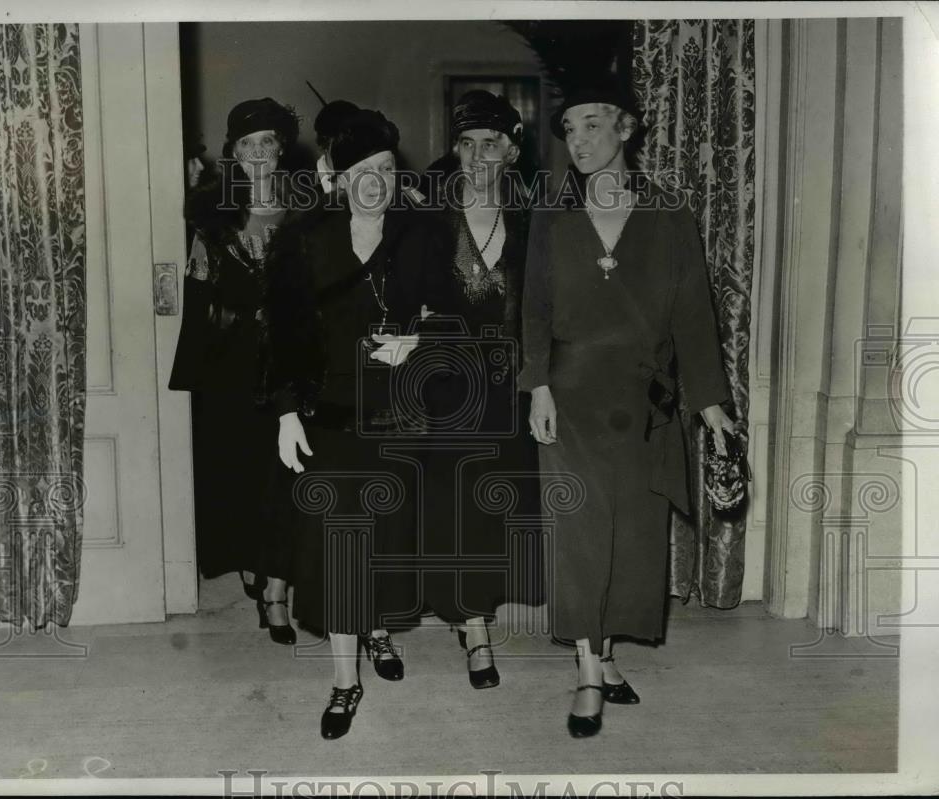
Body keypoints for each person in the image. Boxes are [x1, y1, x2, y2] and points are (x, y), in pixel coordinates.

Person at [519, 80, 735, 738]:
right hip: (572, 394)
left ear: (626, 127)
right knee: (580, 534)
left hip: (645, 400)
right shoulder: (551, 218)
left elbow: (695, 319)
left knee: (632, 538)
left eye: (592, 124)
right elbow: (532, 310)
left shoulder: (670, 218)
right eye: (570, 130)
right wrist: (538, 386)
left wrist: (712, 407)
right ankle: (588, 673)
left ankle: (604, 652)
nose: (579, 141)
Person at [271, 108, 432, 740]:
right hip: (330, 414)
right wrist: (286, 410)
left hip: (400, 412)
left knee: (386, 539)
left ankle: (380, 629)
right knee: (341, 545)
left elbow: (454, 313)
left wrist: (421, 342)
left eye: (386, 170)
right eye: (362, 171)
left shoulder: (420, 235)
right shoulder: (303, 239)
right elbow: (280, 337)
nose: (376, 182)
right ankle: (345, 680)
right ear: (335, 178)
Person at [416, 90, 543, 690]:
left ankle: (484, 607)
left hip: (511, 385)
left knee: (497, 504)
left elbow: (548, 307)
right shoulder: (430, 218)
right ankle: (475, 631)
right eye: (465, 144)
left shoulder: (532, 219)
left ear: (512, 151)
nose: (475, 156)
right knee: (455, 506)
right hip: (444, 385)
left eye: (489, 144)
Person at [169, 97, 302, 645]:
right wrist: (192, 373)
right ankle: (254, 560)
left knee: (287, 475)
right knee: (244, 472)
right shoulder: (214, 214)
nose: (259, 154)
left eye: (267, 141)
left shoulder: (308, 206)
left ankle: (276, 593)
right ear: (233, 154)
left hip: (295, 357)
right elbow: (199, 292)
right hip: (232, 363)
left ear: (282, 147)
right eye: (247, 145)